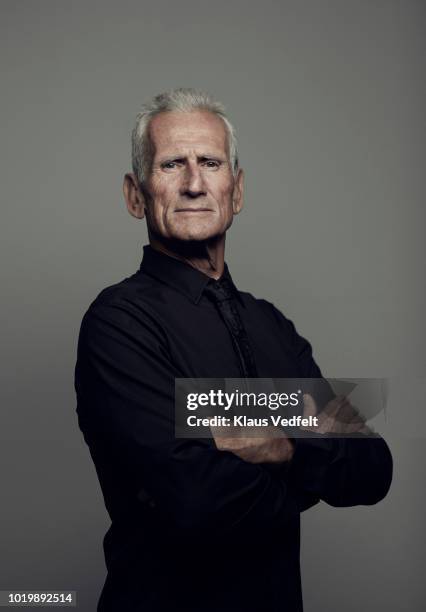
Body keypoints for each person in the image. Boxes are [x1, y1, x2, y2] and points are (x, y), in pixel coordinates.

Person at [74, 88, 392, 612]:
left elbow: (373, 466)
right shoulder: (118, 323)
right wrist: (307, 444)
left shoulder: (273, 325)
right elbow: (195, 500)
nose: (195, 183)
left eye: (211, 163)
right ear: (136, 195)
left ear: (237, 190)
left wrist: (284, 447)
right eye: (173, 163)